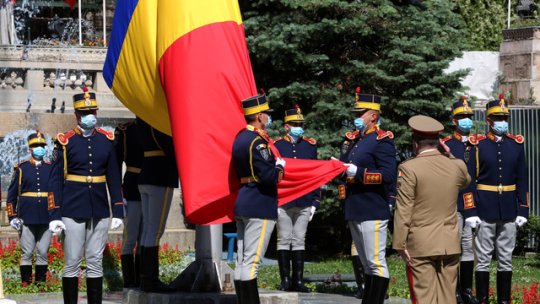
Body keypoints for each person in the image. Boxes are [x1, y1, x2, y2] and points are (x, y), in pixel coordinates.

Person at [48, 87, 124, 304]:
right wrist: (54, 214)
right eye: (84, 113)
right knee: (72, 262)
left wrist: (117, 209)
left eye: (92, 111)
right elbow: (55, 180)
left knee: (95, 262)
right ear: (76, 115)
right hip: (72, 209)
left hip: (99, 209)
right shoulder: (65, 142)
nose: (89, 116)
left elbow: (113, 177)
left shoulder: (107, 140)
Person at [392, 115, 471, 304]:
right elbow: (466, 180)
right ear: (439, 142)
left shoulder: (409, 168)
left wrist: (399, 244)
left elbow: (404, 208)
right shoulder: (456, 165)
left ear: (415, 144)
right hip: (449, 243)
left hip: (421, 245)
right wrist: (450, 155)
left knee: (424, 298)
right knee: (447, 298)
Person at [465, 95, 529, 304]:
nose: (502, 121)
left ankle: (504, 301)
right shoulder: (478, 145)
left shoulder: (516, 144)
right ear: (489, 120)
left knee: (506, 259)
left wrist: (523, 209)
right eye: (498, 118)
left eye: (504, 117)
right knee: (482, 260)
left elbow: (522, 178)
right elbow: (469, 181)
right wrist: (471, 211)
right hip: (484, 208)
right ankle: (482, 299)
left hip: (509, 210)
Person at [339, 88, 396, 304]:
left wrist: (359, 173)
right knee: (365, 261)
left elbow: (388, 175)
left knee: (375, 261)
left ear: (373, 115)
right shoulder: (356, 140)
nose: (355, 117)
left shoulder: (382, 140)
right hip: (355, 207)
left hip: (372, 208)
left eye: (359, 113)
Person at [232, 94, 285, 304]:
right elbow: (269, 176)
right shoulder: (258, 142)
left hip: (244, 200)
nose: (268, 118)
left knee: (242, 261)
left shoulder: (240, 137)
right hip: (259, 204)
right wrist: (280, 166)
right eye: (266, 115)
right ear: (260, 116)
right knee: (252, 263)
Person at [273, 105, 319, 293]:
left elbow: (314, 175)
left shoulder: (309, 145)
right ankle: (285, 281)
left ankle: (298, 281)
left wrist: (315, 201)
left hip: (304, 200)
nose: (298, 127)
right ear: (286, 126)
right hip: (283, 201)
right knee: (284, 239)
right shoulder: (276, 146)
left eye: (300, 124)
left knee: (299, 239)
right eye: (294, 124)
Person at [441, 97, 478, 304]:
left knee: (468, 247)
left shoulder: (477, 144)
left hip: (472, 205)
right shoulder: (446, 144)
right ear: (454, 121)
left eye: (468, 117)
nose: (466, 120)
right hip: (452, 203)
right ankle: (453, 291)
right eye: (461, 117)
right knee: (453, 247)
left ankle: (466, 290)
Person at [137, 119, 178, 292]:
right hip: (160, 176)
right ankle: (150, 280)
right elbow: (170, 148)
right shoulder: (157, 121)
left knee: (148, 230)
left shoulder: (142, 119)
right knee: (155, 231)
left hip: (146, 173)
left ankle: (145, 278)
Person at [7, 131, 53, 285]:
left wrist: (57, 216)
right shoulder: (21, 169)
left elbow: (57, 194)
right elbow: (11, 195)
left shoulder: (51, 168)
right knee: (27, 252)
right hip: (27, 217)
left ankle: (40, 284)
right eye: (35, 146)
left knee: (42, 252)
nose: (39, 148)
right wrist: (12, 217)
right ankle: (25, 283)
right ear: (29, 149)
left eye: (41, 145)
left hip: (47, 216)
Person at [114, 118, 144, 289]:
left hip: (152, 185)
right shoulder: (126, 130)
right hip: (133, 187)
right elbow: (116, 165)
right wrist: (119, 194)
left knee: (146, 236)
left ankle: (142, 277)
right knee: (131, 236)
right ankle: (129, 280)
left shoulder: (156, 125)